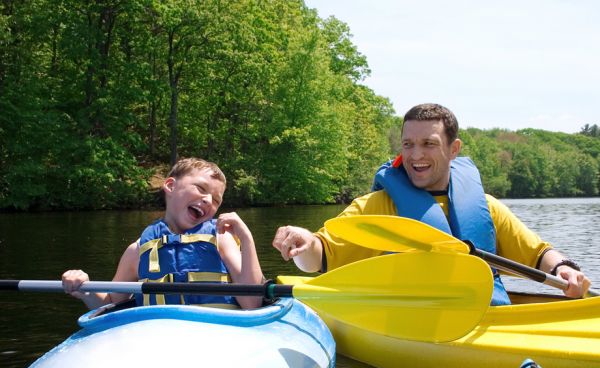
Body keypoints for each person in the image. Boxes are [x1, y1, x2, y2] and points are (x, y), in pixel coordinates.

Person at [272, 103, 591, 304]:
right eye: (408, 144)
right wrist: (306, 242)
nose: (415, 155)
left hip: (488, 319)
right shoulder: (378, 205)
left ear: (454, 149)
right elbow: (318, 259)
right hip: (413, 325)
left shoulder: (487, 207)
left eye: (429, 144)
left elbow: (538, 254)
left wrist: (564, 269)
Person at [63, 158, 264, 310]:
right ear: (170, 186)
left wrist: (246, 239)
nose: (208, 200)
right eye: (201, 188)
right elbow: (110, 304)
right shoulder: (138, 250)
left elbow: (252, 302)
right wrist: (85, 289)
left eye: (216, 200)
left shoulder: (222, 239)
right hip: (158, 333)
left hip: (214, 330)